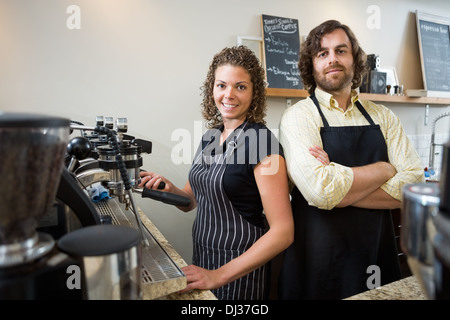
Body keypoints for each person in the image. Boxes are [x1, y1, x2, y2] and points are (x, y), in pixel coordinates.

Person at [278, 20, 424, 300]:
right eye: (322, 53)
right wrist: (385, 168)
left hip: (375, 258)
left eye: (341, 50)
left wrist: (337, 179)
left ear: (355, 60)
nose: (332, 59)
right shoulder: (299, 116)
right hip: (316, 262)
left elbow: (414, 187)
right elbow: (320, 191)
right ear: (312, 65)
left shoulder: (383, 116)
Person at [139, 45, 294, 300]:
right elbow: (192, 200)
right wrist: (169, 189)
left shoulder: (262, 143)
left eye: (240, 86)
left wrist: (219, 275)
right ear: (212, 88)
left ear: (254, 93)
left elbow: (283, 232)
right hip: (204, 259)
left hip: (240, 273)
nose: (229, 94)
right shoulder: (211, 137)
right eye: (221, 85)